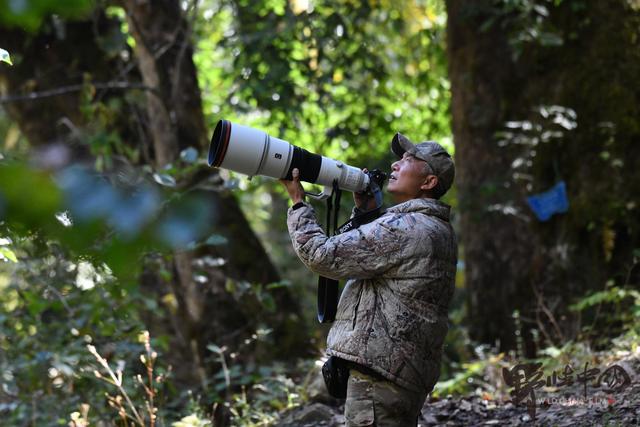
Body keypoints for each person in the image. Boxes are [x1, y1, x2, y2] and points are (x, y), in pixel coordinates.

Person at [280, 132, 457, 426]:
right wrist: (365, 212)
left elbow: (321, 255)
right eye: (400, 158)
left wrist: (298, 202)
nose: (397, 164)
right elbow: (373, 256)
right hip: (403, 374)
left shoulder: (404, 227)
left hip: (380, 377)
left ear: (428, 182)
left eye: (409, 160)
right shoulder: (437, 228)